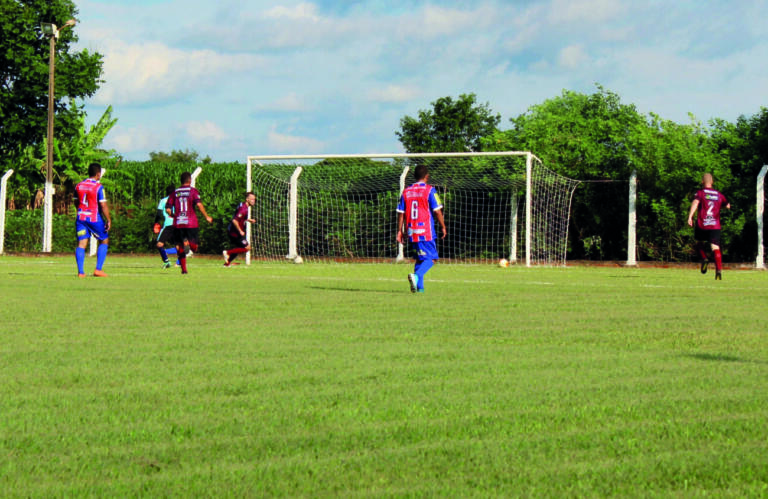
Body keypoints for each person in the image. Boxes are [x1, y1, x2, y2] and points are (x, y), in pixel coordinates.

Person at [396, 164, 447, 293]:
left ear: (414, 176)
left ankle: (420, 289)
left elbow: (401, 213)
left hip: (411, 231)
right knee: (432, 258)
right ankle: (417, 277)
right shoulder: (430, 190)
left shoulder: (406, 191)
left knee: (420, 259)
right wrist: (443, 226)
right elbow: (437, 211)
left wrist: (399, 231)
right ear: (427, 176)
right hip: (425, 231)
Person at [165, 171, 213, 274]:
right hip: (191, 223)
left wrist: (174, 216)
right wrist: (206, 216)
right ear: (190, 180)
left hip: (178, 223)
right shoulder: (193, 191)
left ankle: (184, 270)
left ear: (181, 181)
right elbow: (199, 205)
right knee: (194, 247)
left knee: (179, 246)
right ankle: (189, 243)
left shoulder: (175, 192)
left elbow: (168, 209)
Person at [687, 173, 730, 280]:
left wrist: (690, 217)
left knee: (699, 243)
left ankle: (704, 258)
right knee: (715, 247)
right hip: (715, 225)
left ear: (702, 182)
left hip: (702, 224)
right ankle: (718, 270)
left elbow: (695, 203)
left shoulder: (700, 193)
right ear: (712, 182)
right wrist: (721, 207)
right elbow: (728, 206)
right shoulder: (719, 195)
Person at [74, 162, 112, 277]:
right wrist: (109, 219)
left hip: (81, 218)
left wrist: (80, 210)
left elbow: (76, 202)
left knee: (82, 243)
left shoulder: (78, 185)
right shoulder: (98, 187)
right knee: (104, 240)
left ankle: (81, 272)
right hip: (94, 218)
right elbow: (103, 205)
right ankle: (98, 269)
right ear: (98, 174)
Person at [223, 192, 256, 267]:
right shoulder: (244, 209)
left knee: (239, 248)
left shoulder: (242, 205)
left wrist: (248, 219)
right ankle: (227, 252)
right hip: (235, 232)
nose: (253, 201)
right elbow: (234, 220)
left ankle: (227, 264)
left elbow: (239, 216)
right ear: (247, 199)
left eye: (254, 199)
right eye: (252, 199)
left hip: (232, 230)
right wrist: (240, 231)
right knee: (247, 248)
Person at [154, 185, 180, 269]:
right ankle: (179, 262)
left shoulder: (163, 201)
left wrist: (156, 222)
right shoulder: (178, 200)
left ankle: (166, 261)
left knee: (159, 244)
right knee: (178, 245)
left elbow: (158, 213)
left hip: (168, 225)